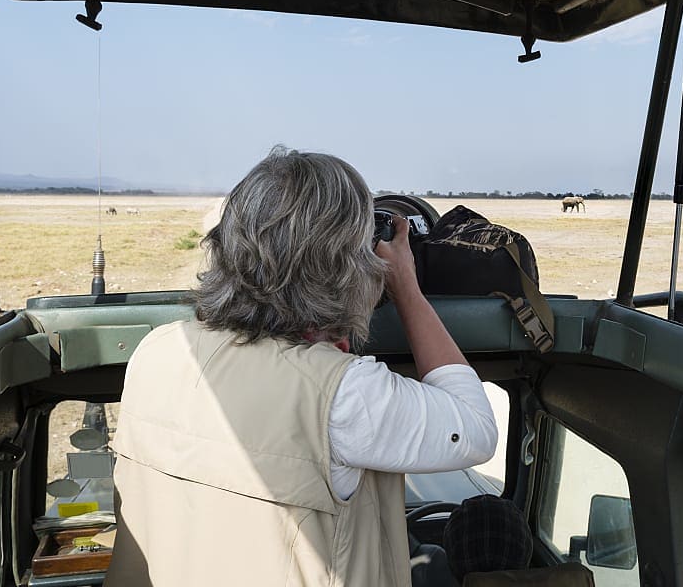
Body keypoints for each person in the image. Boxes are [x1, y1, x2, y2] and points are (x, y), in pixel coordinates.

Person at [105, 147, 498, 587]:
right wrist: (405, 286)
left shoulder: (156, 352)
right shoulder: (343, 395)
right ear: (345, 264)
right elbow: (476, 429)